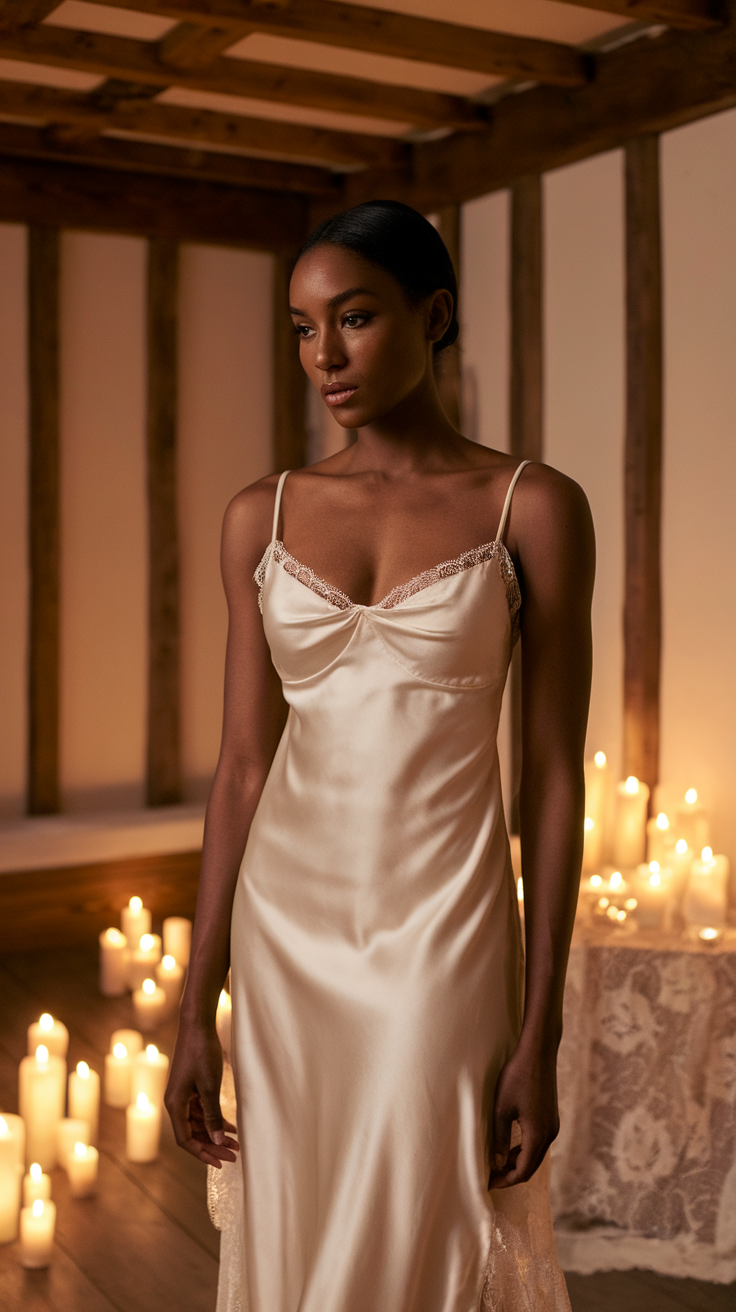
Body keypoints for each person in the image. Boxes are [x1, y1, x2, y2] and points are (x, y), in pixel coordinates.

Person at [166, 199, 594, 1312]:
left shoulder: (530, 507)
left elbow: (550, 775)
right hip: (284, 937)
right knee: (300, 1226)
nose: (326, 357)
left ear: (434, 313)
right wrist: (193, 1002)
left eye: (354, 318)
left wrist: (539, 1024)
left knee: (428, 1227)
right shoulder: (259, 517)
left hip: (441, 935)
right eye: (303, 330)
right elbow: (242, 769)